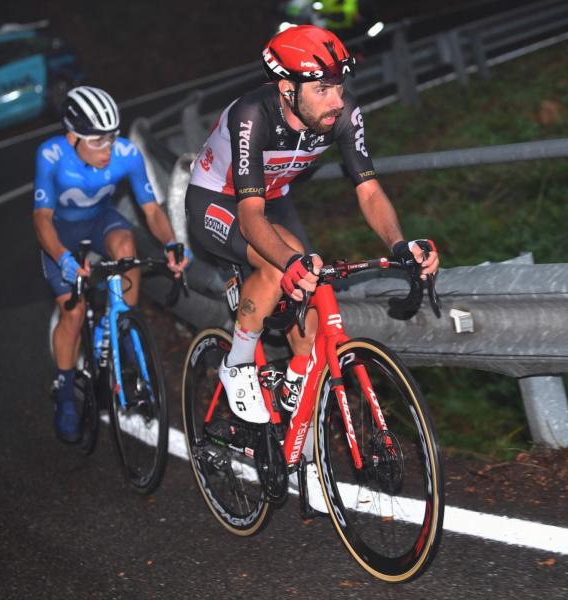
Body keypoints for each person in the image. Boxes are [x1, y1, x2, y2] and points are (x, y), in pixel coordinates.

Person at [185, 25, 439, 425]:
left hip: (276, 197)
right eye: (323, 89)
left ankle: (300, 445)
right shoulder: (252, 115)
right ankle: (236, 364)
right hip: (218, 200)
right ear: (287, 88)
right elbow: (250, 215)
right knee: (281, 263)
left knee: (310, 315)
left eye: (339, 86)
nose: (337, 101)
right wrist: (289, 261)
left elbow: (369, 191)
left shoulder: (342, 113)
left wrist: (400, 244)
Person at [34, 85, 190, 443]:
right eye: (97, 141)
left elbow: (151, 209)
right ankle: (64, 388)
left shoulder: (126, 153)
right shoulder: (51, 156)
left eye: (111, 138)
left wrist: (171, 243)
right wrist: (62, 259)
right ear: (72, 137)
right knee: (73, 313)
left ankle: (124, 331)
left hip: (99, 222)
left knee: (126, 245)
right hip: (59, 233)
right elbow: (41, 220)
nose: (107, 149)